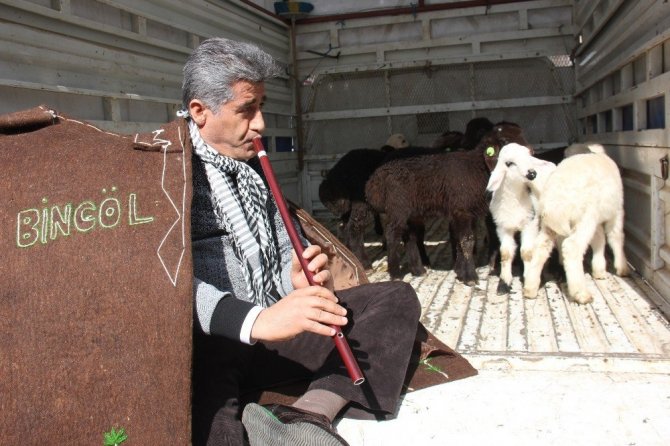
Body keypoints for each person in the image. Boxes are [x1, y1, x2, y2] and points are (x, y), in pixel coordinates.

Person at [185, 37, 421, 446]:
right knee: (206, 403)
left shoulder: (253, 169)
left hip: (274, 335)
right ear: (200, 111)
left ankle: (307, 416)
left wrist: (291, 278)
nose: (260, 124)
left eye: (260, 107)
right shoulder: (168, 175)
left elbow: (279, 248)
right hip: (217, 343)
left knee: (395, 298)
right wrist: (255, 321)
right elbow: (161, 282)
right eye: (246, 110)